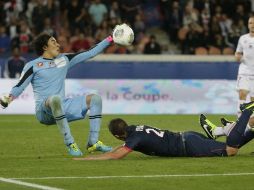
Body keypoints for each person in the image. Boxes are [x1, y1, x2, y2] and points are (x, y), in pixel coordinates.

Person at [0, 32, 115, 156]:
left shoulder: (64, 59)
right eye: (53, 42)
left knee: (95, 99)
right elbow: (20, 85)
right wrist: (9, 98)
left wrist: (110, 38)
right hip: (43, 110)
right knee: (55, 99)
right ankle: (70, 143)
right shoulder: (32, 65)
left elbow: (90, 53)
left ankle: (93, 142)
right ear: (45, 47)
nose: (58, 44)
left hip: (62, 106)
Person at [74, 101, 254, 160]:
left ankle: (248, 111)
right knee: (229, 146)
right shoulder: (134, 129)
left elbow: (117, 155)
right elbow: (121, 147)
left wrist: (91, 159)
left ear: (117, 134)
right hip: (187, 138)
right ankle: (248, 129)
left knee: (230, 151)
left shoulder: (133, 138)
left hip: (188, 145)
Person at [235, 16, 254, 128]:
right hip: (244, 71)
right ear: (248, 25)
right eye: (250, 23)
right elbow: (238, 53)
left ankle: (250, 124)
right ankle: (239, 119)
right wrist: (237, 57)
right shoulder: (243, 38)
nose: (252, 25)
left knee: (252, 99)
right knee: (242, 93)